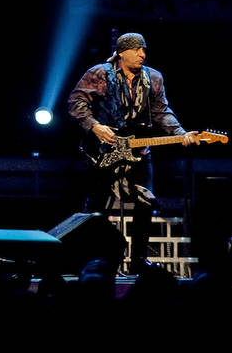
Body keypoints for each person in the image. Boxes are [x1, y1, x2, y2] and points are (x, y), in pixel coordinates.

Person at [67, 32, 199, 274]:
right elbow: (76, 102)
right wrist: (95, 127)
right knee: (96, 208)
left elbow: (162, 111)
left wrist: (181, 133)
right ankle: (94, 261)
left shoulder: (154, 78)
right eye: (137, 50)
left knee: (146, 202)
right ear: (122, 52)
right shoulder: (100, 73)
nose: (142, 54)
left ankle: (138, 261)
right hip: (104, 149)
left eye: (144, 50)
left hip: (139, 150)